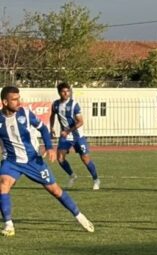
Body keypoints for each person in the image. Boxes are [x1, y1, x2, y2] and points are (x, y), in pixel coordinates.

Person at [0, 86, 94, 237]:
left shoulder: (25, 113)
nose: (19, 102)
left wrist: (49, 148)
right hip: (11, 161)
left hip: (32, 160)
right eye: (15, 99)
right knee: (3, 185)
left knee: (55, 191)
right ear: (5, 102)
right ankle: (9, 224)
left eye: (19, 98)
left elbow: (43, 129)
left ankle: (79, 216)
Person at [49, 82, 101, 190]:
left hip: (78, 136)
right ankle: (72, 176)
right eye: (63, 91)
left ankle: (96, 179)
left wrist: (68, 130)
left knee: (85, 159)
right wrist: (51, 128)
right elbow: (52, 115)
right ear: (59, 92)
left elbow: (80, 122)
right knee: (60, 158)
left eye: (68, 91)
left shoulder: (74, 105)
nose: (66, 93)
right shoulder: (55, 104)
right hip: (65, 136)